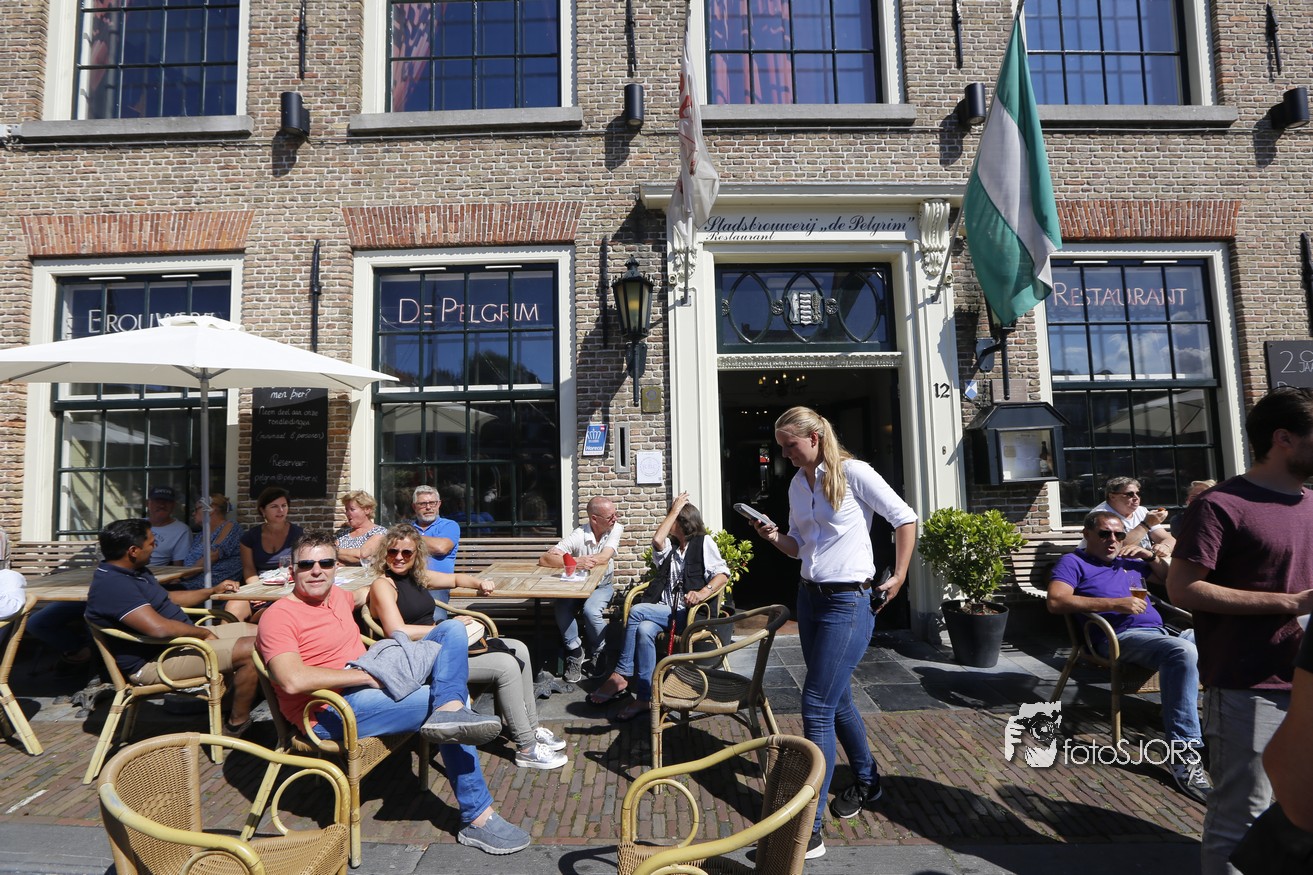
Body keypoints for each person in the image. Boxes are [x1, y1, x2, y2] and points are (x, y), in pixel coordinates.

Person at [256, 531, 531, 854]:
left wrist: (387, 580)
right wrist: (362, 677)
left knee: (452, 629)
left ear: (335, 568)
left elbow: (368, 592)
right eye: (306, 565)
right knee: (444, 706)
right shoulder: (278, 616)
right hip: (327, 711)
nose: (317, 571)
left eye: (325, 563)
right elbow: (291, 680)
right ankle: (478, 817)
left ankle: (450, 707)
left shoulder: (339, 597)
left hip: (369, 685)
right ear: (292, 571)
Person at [749, 406, 916, 860]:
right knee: (836, 699)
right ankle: (868, 780)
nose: (784, 454)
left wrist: (900, 575)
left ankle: (810, 827)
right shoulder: (797, 483)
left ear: (815, 438)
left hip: (848, 602)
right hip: (810, 598)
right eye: (781, 447)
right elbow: (799, 547)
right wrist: (771, 536)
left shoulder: (854, 473)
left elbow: (905, 518)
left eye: (790, 445)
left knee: (816, 706)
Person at [1166, 387, 1313, 875]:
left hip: (1308, 683)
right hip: (1250, 686)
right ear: (1283, 438)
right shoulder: (1221, 505)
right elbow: (1183, 588)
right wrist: (1288, 603)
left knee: (1300, 811)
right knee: (1241, 818)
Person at [367, 525, 568, 770]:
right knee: (506, 665)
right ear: (385, 553)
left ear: (416, 554)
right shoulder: (384, 585)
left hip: (443, 644)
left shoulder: (416, 577)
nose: (399, 557)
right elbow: (397, 631)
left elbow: (455, 579)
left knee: (519, 648)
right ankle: (526, 747)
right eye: (393, 551)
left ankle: (532, 727)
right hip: (422, 655)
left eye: (406, 552)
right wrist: (447, 628)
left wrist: (479, 583)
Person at [1047, 510, 1210, 801]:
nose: (1112, 540)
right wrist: (1115, 604)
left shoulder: (1129, 561)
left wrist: (1151, 556)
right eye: (1104, 534)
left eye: (1119, 534)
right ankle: (1184, 751)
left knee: (1219, 640)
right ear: (1087, 534)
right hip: (1116, 637)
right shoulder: (1073, 562)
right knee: (1182, 651)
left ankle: (1219, 729)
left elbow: (1171, 579)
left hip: (1161, 633)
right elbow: (1056, 601)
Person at [84, 519, 258, 735]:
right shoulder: (114, 585)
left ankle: (237, 701)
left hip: (178, 644)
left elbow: (169, 598)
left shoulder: (135, 571)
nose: (155, 547)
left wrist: (212, 590)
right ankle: (236, 723)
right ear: (133, 551)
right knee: (253, 649)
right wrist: (203, 633)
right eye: (151, 543)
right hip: (154, 661)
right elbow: (159, 629)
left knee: (266, 633)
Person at [589, 493, 728, 723]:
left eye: (671, 519)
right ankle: (645, 697)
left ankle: (622, 673)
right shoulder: (670, 549)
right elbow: (657, 539)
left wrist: (703, 592)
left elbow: (722, 574)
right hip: (665, 611)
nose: (667, 522)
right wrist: (674, 510)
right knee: (644, 629)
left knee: (637, 611)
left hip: (688, 614)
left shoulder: (703, 543)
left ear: (683, 522)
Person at [537, 496, 623, 683]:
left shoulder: (615, 528)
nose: (615, 518)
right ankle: (575, 651)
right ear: (594, 519)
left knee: (591, 611)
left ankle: (599, 651)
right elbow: (544, 559)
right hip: (576, 587)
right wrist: (576, 561)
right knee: (561, 607)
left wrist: (572, 560)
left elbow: (604, 556)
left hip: (601, 586)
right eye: (610, 516)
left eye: (615, 514)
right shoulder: (579, 535)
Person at [1090, 476, 1175, 555]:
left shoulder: (1141, 511)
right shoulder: (1101, 516)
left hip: (1144, 561)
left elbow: (1167, 538)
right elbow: (1115, 547)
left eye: (1138, 493)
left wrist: (1165, 546)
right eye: (1129, 494)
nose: (1136, 498)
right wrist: (1146, 524)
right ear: (1112, 497)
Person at [239, 486, 304, 584]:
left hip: (290, 584)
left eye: (284, 505)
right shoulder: (250, 537)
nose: (280, 510)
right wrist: (257, 590)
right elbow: (249, 569)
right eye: (274, 506)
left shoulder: (300, 535)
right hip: (259, 584)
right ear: (263, 510)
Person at [176, 495, 244, 588]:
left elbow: (212, 555)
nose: (193, 513)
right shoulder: (201, 534)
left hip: (210, 586)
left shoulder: (230, 527)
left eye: (196, 509)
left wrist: (182, 577)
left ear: (211, 510)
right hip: (189, 583)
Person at [334, 490, 387, 566]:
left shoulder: (380, 532)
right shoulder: (342, 534)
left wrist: (334, 550)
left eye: (352, 509)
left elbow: (363, 555)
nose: (348, 513)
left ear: (367, 510)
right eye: (346, 509)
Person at [145, 486, 191, 567]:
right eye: (158, 501)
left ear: (174, 505)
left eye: (167, 502)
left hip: (154, 573)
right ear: (148, 503)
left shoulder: (182, 530)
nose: (162, 505)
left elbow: (179, 568)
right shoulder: (136, 524)